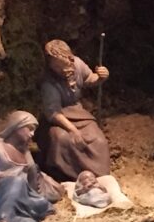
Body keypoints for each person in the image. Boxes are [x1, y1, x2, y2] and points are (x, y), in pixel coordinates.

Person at [36, 39, 111, 182]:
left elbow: (89, 78)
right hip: (59, 119)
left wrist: (100, 77)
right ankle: (67, 174)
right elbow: (53, 113)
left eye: (64, 65)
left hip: (78, 113)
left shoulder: (77, 64)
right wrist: (73, 130)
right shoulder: (48, 83)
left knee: (98, 140)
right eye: (57, 67)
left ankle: (98, 174)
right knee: (61, 139)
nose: (63, 70)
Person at [0, 110, 60, 222]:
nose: (32, 134)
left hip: (21, 192)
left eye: (34, 131)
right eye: (30, 129)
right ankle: (1, 219)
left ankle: (15, 214)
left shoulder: (24, 151)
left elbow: (31, 175)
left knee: (44, 204)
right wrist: (5, 177)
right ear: (16, 126)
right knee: (16, 182)